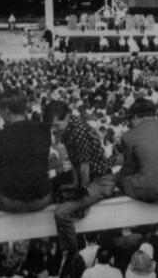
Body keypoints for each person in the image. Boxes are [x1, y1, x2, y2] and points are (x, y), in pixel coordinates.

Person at [43, 101, 116, 278]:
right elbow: (76, 165)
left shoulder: (78, 131)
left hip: (101, 181)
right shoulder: (68, 129)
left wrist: (81, 189)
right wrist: (75, 187)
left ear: (67, 117)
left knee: (60, 212)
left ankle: (72, 255)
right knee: (58, 186)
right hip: (91, 178)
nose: (54, 129)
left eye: (56, 124)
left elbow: (84, 167)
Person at [0, 89, 52, 212]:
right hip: (42, 199)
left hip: (12, 202)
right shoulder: (44, 130)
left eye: (0, 112)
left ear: (7, 112)